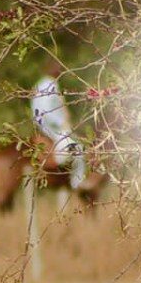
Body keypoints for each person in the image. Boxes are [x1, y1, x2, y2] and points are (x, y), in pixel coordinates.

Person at [30, 58, 85, 191]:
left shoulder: (41, 83)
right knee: (78, 149)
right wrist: (62, 122)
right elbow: (48, 110)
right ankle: (77, 184)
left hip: (42, 123)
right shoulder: (51, 85)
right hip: (52, 125)